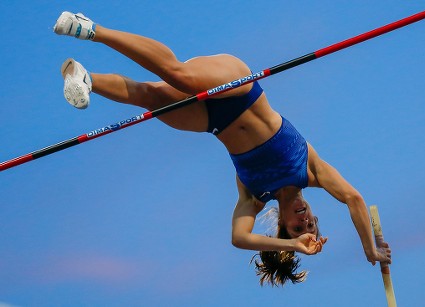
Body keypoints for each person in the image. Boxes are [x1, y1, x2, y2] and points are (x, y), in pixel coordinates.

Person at [53, 11, 391, 286]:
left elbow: (238, 238)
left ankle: (87, 79)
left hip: (210, 119)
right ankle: (92, 28)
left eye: (298, 228)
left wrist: (290, 246)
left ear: (285, 225)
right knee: (178, 75)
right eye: (312, 224)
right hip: (240, 88)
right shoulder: (311, 171)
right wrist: (370, 250)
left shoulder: (254, 196)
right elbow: (353, 198)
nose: (305, 223)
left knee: (150, 98)